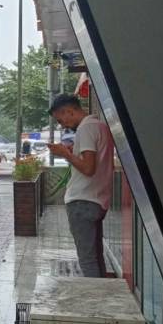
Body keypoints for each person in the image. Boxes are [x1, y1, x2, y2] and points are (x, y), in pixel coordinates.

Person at [48, 94, 114, 278]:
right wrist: (71, 152)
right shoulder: (99, 126)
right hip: (98, 199)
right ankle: (101, 297)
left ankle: (93, 302)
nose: (63, 125)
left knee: (87, 259)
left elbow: (88, 168)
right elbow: (92, 162)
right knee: (95, 256)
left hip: (82, 200)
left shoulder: (85, 128)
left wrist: (65, 154)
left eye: (61, 120)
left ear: (69, 111)